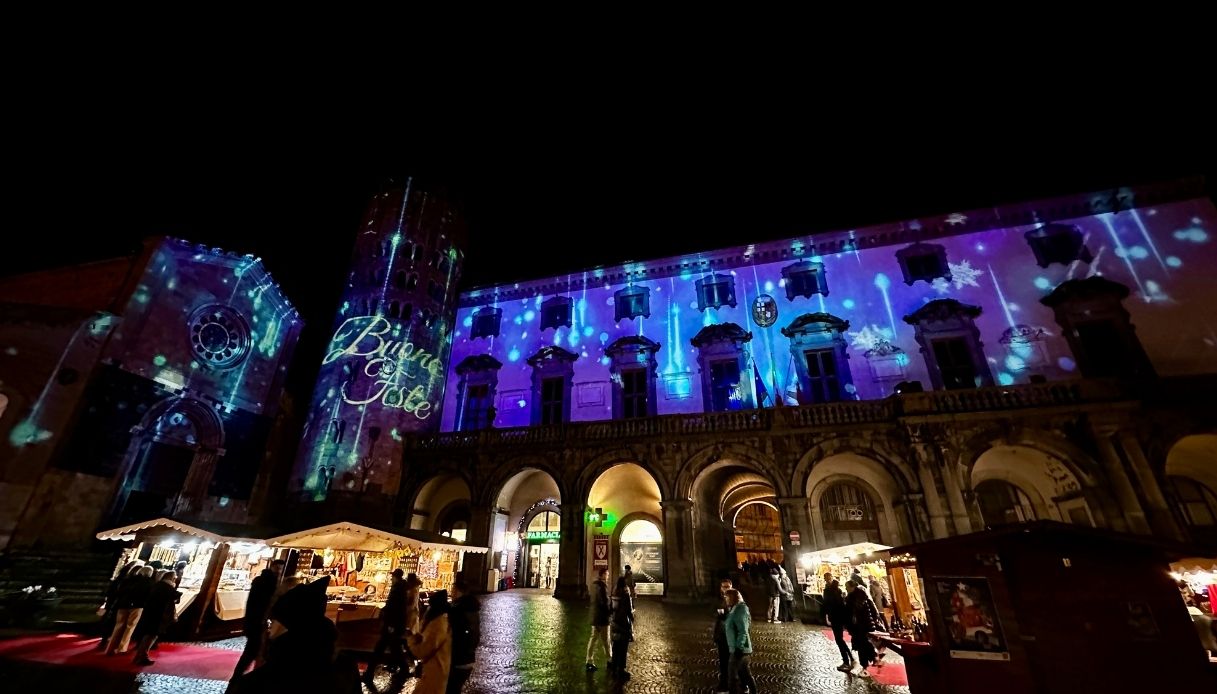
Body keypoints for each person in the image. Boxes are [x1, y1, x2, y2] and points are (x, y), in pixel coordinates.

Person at [229, 576, 360, 693]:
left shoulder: (258, 683)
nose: (269, 628)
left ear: (287, 626)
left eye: (272, 621)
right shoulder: (346, 667)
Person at [232, 559, 284, 680]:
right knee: (253, 649)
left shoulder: (268, 581)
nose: (279, 571)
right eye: (278, 568)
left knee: (255, 649)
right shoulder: (265, 582)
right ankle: (238, 677)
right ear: (272, 567)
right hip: (257, 621)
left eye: (281, 568)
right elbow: (259, 603)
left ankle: (241, 675)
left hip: (257, 621)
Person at [364, 568, 408, 686]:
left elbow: (394, 608)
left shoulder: (397, 589)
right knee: (394, 648)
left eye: (392, 576)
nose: (391, 578)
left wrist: (390, 623)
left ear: (395, 577)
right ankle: (404, 669)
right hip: (395, 624)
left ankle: (369, 673)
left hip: (392, 624)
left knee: (381, 648)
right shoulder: (402, 588)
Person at [403, 588, 452, 694]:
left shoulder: (437, 625)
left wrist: (411, 640)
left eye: (430, 606)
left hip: (435, 672)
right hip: (433, 671)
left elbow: (422, 651)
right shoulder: (440, 621)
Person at [131, 572, 180, 665]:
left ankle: (140, 655)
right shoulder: (166, 587)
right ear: (171, 578)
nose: (175, 579)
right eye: (174, 578)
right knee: (150, 636)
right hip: (158, 615)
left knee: (150, 635)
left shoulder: (158, 585)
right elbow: (176, 596)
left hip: (151, 613)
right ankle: (142, 656)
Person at [105, 565, 155, 655]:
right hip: (137, 606)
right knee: (130, 627)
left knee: (118, 626)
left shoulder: (129, 580)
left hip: (123, 605)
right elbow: (148, 595)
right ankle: (122, 648)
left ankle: (110, 647)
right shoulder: (149, 582)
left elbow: (119, 591)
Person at [97, 560, 141, 651]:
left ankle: (106, 640)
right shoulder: (129, 581)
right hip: (120, 603)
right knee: (116, 623)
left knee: (113, 622)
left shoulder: (121, 578)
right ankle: (110, 642)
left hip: (115, 602)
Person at [447, 576, 481, 694]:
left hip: (457, 659)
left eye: (453, 590)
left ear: (458, 591)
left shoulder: (457, 610)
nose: (451, 593)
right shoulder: (472, 609)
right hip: (469, 658)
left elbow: (452, 635)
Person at [723, 588, 757, 694]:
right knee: (745, 674)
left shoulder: (740, 609)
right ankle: (753, 691)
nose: (726, 599)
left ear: (733, 597)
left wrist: (739, 647)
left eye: (727, 597)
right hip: (736, 647)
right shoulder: (734, 609)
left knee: (732, 676)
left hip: (740, 649)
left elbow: (743, 630)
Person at [846, 579, 882, 678]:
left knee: (862, 645)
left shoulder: (854, 598)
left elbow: (853, 614)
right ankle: (873, 658)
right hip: (864, 625)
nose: (846, 589)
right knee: (863, 644)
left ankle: (867, 665)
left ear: (852, 587)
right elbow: (872, 608)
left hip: (860, 626)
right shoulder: (861, 595)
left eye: (847, 587)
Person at [822, 573, 853, 672]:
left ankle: (847, 661)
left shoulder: (832, 591)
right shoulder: (834, 590)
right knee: (839, 640)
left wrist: (828, 614)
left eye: (828, 578)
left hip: (836, 617)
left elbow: (830, 604)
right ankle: (850, 659)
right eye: (826, 578)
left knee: (839, 640)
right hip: (837, 617)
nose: (827, 580)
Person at [586, 568, 612, 672]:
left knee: (593, 640)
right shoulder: (602, 586)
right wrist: (610, 612)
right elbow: (604, 602)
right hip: (602, 618)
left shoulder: (593, 585)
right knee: (606, 640)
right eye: (607, 574)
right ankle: (610, 660)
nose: (608, 576)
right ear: (603, 575)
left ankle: (589, 661)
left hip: (595, 616)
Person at [609, 576, 634, 680]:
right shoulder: (625, 594)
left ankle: (614, 668)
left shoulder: (614, 594)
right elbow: (628, 610)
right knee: (623, 648)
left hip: (615, 623)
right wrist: (632, 619)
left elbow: (611, 608)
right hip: (623, 623)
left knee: (616, 647)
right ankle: (621, 670)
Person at [714, 578, 733, 694]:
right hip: (722, 636)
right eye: (723, 587)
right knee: (723, 662)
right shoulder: (718, 599)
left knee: (736, 663)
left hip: (732, 637)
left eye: (727, 586)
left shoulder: (736, 599)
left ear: (731, 586)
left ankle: (743, 684)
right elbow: (714, 613)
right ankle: (724, 684)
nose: (725, 589)